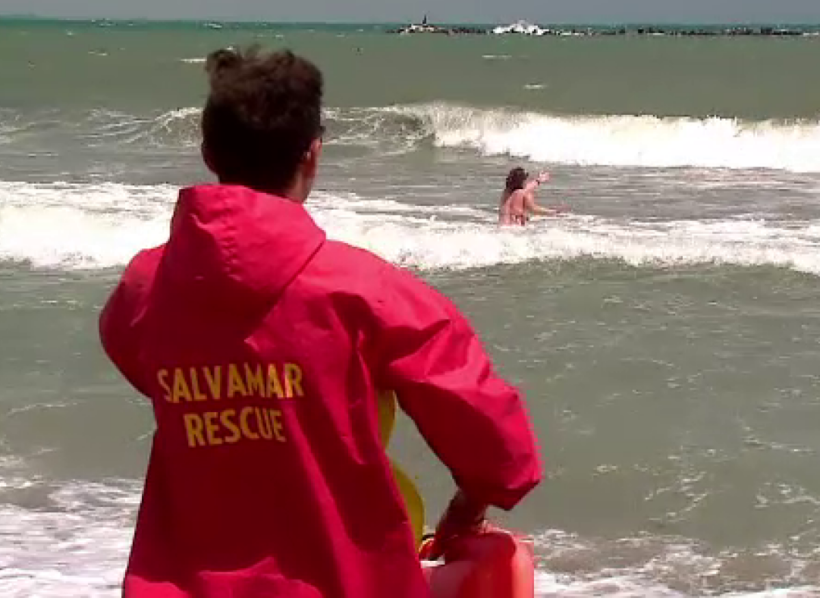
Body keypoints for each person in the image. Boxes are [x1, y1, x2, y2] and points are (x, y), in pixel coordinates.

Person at [98, 46, 543, 598]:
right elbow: (494, 435)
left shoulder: (146, 286)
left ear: (209, 151)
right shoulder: (365, 291)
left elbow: (137, 355)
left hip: (178, 586)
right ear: (313, 154)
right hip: (344, 582)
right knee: (504, 564)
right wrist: (468, 504)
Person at [498, 166, 563, 226]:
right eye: (526, 179)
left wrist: (538, 180)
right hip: (515, 230)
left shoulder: (505, 192)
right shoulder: (524, 194)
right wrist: (553, 212)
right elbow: (533, 209)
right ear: (522, 181)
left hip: (501, 228)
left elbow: (525, 188)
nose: (527, 181)